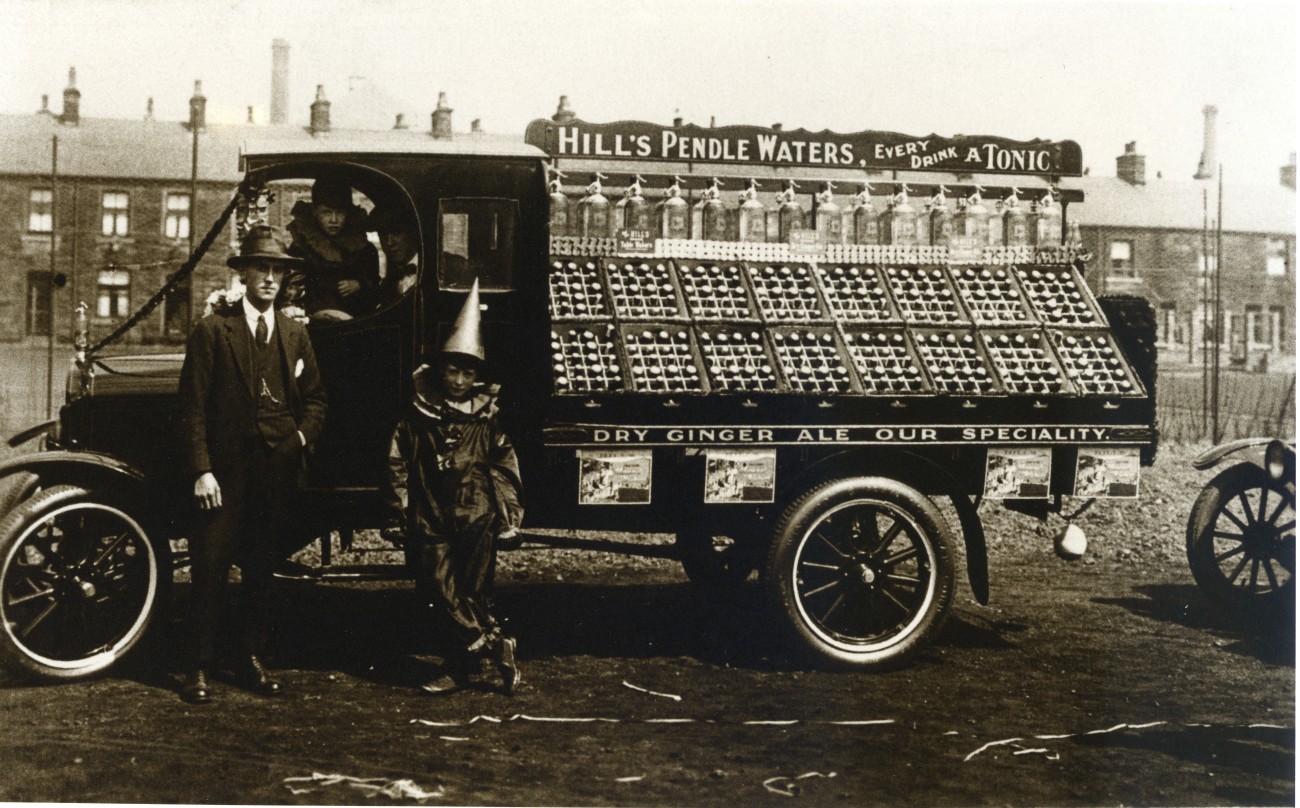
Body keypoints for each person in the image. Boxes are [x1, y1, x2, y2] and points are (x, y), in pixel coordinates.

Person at [177, 225, 328, 704]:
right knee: (210, 566)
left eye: (277, 270)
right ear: (242, 274)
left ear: (285, 279)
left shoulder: (294, 332)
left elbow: (317, 399)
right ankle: (198, 667)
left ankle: (251, 660)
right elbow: (193, 407)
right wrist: (202, 470)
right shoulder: (212, 331)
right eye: (260, 268)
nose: (269, 278)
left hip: (274, 471)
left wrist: (300, 438)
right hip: (223, 473)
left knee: (262, 569)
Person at [381, 279, 524, 695]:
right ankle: (498, 647)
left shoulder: (486, 418)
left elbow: (504, 466)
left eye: (467, 371)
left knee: (474, 591)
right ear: (440, 369)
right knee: (437, 587)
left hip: (475, 513)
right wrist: (397, 510)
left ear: (476, 375)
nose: (458, 379)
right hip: (429, 511)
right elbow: (397, 461)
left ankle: (458, 670)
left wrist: (508, 515)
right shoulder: (417, 414)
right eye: (452, 369)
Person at [286, 178, 380, 318]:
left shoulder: (364, 249)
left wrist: (360, 284)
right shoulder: (301, 246)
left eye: (340, 213)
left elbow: (375, 288)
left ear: (348, 213)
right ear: (315, 212)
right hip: (311, 323)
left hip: (355, 323)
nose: (334, 220)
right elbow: (291, 289)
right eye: (327, 212)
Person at [367, 203, 420, 305]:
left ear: (412, 232)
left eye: (396, 232)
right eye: (383, 235)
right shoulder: (386, 285)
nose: (389, 242)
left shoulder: (442, 271)